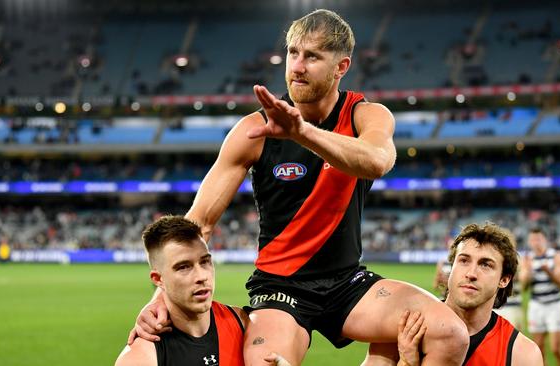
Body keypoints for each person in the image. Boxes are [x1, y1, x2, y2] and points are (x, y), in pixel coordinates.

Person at [129, 9, 468, 366]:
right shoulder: (253, 130)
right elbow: (198, 223)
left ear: (341, 67)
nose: (297, 66)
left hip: (347, 282)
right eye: (292, 53)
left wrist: (301, 133)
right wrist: (160, 296)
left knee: (450, 334)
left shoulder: (365, 115)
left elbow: (377, 161)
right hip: (280, 288)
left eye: (312, 56)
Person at [116, 216, 289, 366]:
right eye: (184, 267)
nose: (202, 276)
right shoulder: (140, 357)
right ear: (158, 279)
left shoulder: (244, 325)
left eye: (205, 262)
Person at [385, 223, 542, 366]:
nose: (471, 273)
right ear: (451, 268)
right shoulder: (407, 328)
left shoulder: (522, 354)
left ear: (504, 280)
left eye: (485, 264)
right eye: (464, 261)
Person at [519, 227, 560, 366]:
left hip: (554, 305)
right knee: (538, 348)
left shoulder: (556, 255)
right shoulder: (528, 258)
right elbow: (524, 286)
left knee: (556, 348)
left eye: (538, 239)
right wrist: (527, 272)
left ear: (545, 240)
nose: (536, 242)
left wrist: (549, 272)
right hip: (537, 305)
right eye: (533, 240)